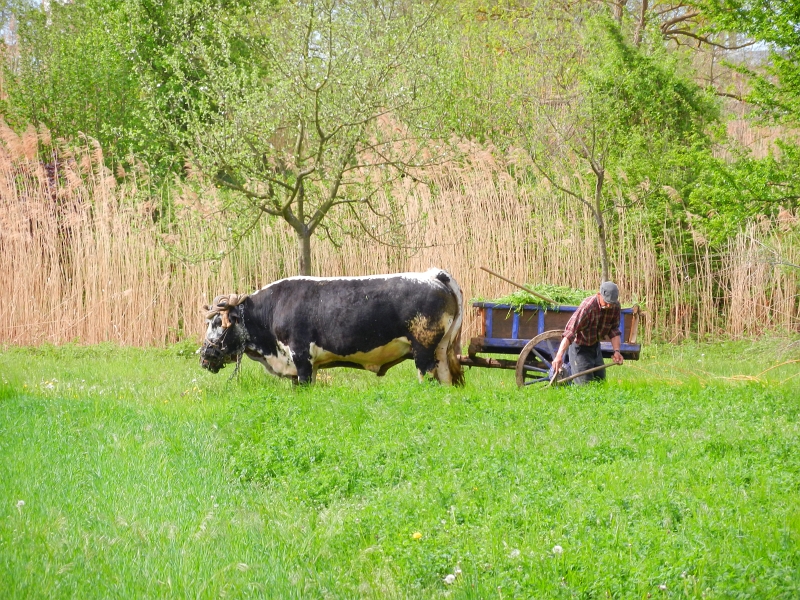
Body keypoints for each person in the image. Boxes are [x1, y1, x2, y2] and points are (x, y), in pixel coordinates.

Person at [550, 281, 624, 385]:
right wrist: (559, 356)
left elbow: (614, 330)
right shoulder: (587, 307)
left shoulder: (615, 306)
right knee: (585, 386)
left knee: (600, 382)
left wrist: (617, 351)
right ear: (599, 295)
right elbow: (570, 332)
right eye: (606, 302)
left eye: (611, 303)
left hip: (595, 347)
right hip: (580, 348)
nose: (608, 306)